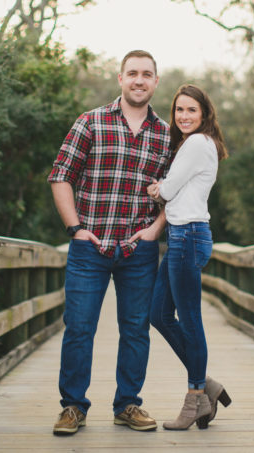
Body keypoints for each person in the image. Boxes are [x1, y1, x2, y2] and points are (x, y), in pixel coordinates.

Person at [48, 50, 171, 435]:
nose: (139, 80)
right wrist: (75, 228)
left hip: (139, 249)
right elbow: (61, 176)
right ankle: (72, 407)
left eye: (147, 74)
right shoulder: (91, 122)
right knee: (79, 327)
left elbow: (180, 192)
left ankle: (128, 405)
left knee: (136, 329)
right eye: (132, 73)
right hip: (90, 247)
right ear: (120, 78)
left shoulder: (167, 135)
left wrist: (155, 230)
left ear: (155, 82)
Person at [147, 84, 231, 430]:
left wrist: (158, 188)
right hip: (181, 236)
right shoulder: (196, 143)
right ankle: (207, 383)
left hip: (189, 236)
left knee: (189, 319)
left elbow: (166, 190)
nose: (183, 116)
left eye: (190, 110)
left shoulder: (197, 143)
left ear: (204, 113)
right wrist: (166, 188)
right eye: (179, 110)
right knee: (159, 313)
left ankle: (196, 396)